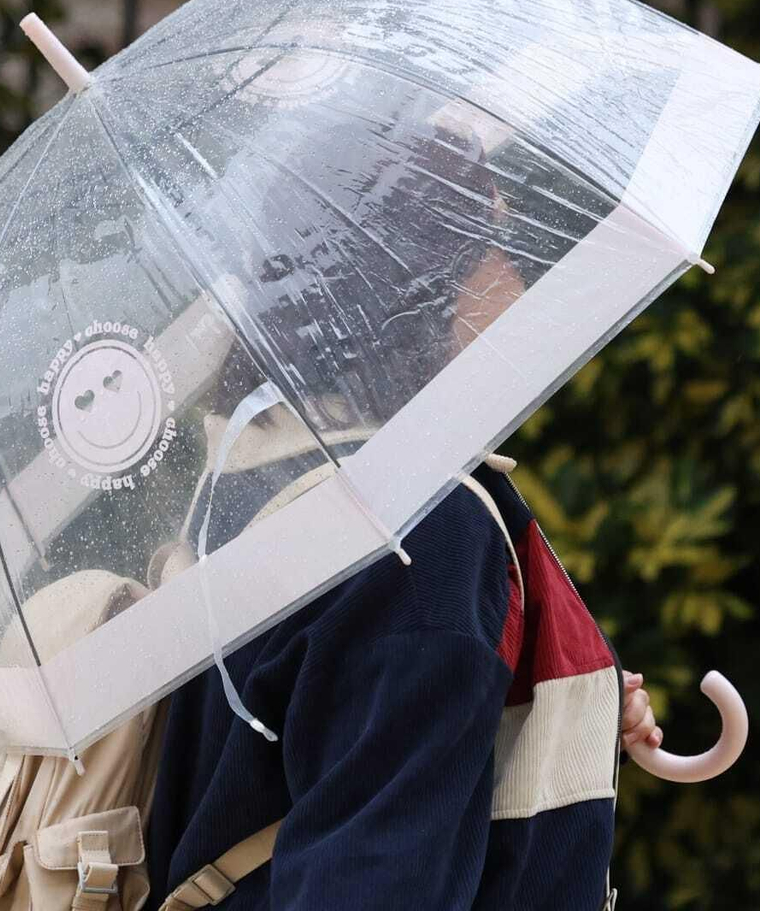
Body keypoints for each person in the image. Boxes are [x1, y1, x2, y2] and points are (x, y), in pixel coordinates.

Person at [142, 112, 662, 910]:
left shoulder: (252, 474)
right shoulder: (416, 538)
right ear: (416, 280)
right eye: (490, 239)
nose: (517, 280)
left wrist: (533, 702)